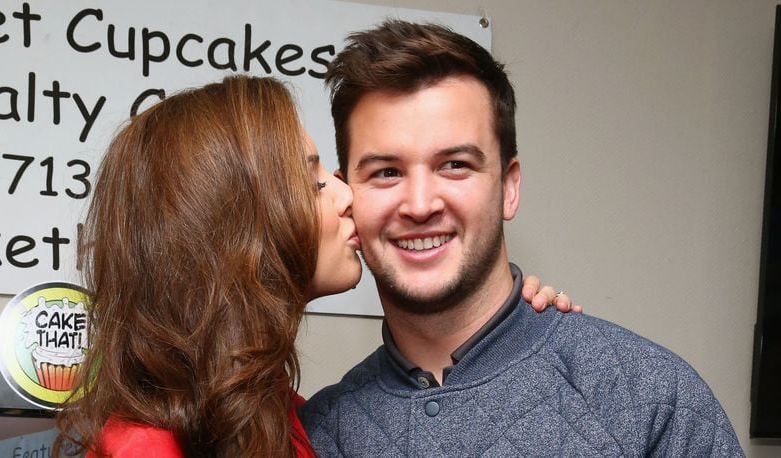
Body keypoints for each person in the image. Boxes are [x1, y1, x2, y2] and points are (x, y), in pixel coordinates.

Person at [52, 74, 575, 457]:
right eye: (313, 183)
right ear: (237, 226)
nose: (348, 195)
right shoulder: (148, 446)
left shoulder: (286, 417)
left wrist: (520, 335)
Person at [300, 20, 744, 456]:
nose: (419, 205)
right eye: (387, 172)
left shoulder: (646, 397)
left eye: (454, 164)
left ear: (509, 187)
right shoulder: (315, 436)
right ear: (345, 194)